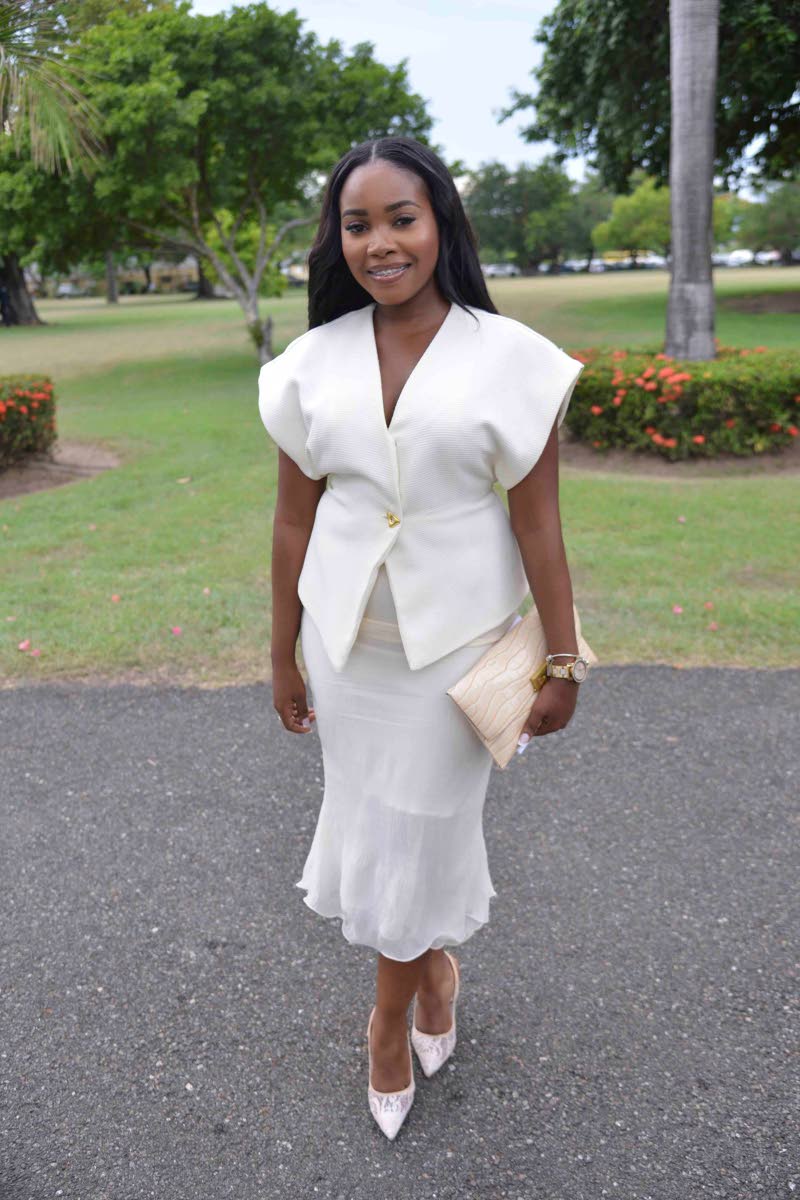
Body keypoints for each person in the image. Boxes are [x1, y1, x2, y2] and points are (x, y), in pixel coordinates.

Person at [257, 136, 586, 1140]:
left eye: (400, 217)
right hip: (348, 653)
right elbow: (290, 524)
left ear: (438, 221)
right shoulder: (309, 367)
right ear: (337, 241)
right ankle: (433, 968)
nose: (379, 241)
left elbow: (538, 524)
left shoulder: (510, 359)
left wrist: (564, 657)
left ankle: (385, 1020)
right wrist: (280, 654)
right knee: (381, 829)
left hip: (459, 653)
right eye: (357, 224)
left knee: (418, 830)